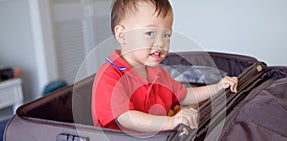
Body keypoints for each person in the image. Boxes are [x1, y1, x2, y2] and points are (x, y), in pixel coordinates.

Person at [92, 0, 238, 132]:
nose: (161, 43)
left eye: (166, 35)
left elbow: (185, 95)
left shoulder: (157, 72)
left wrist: (218, 87)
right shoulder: (109, 75)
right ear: (122, 35)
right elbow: (126, 118)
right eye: (150, 33)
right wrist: (171, 122)